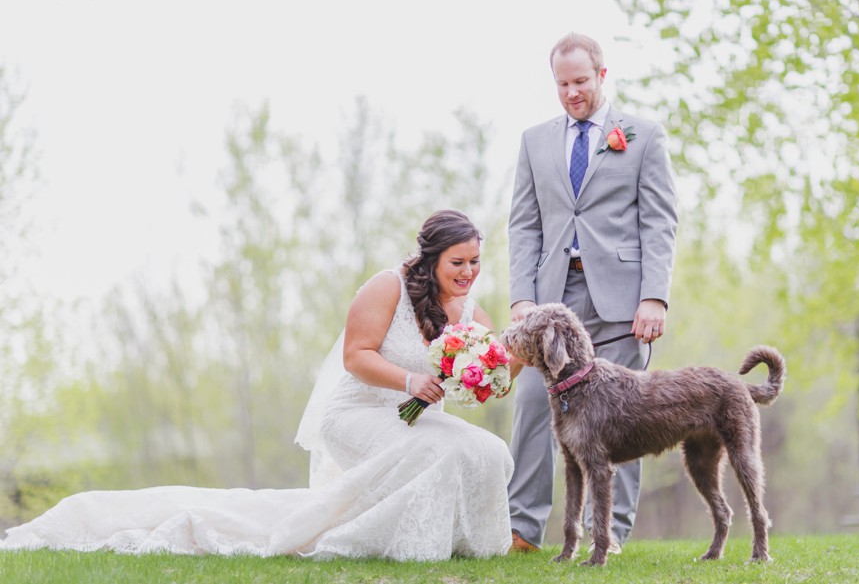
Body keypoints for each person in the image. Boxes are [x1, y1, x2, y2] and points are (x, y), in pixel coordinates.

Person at [0, 210, 514, 560]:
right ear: (432, 258)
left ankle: (469, 545)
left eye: (475, 262)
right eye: (457, 263)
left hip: (414, 417)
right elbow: (354, 357)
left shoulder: (472, 313)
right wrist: (411, 379)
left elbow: (486, 373)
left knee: (487, 448)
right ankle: (405, 547)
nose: (468, 272)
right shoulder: (389, 287)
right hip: (357, 412)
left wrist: (490, 377)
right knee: (436, 451)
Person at [507, 32, 678, 553]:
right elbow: (524, 225)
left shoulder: (643, 136)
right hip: (552, 303)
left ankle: (613, 534)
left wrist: (655, 296)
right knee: (534, 405)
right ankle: (522, 529)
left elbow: (660, 221)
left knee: (625, 415)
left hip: (624, 301)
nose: (571, 92)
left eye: (580, 81)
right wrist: (522, 297)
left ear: (602, 76)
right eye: (562, 84)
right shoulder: (535, 141)